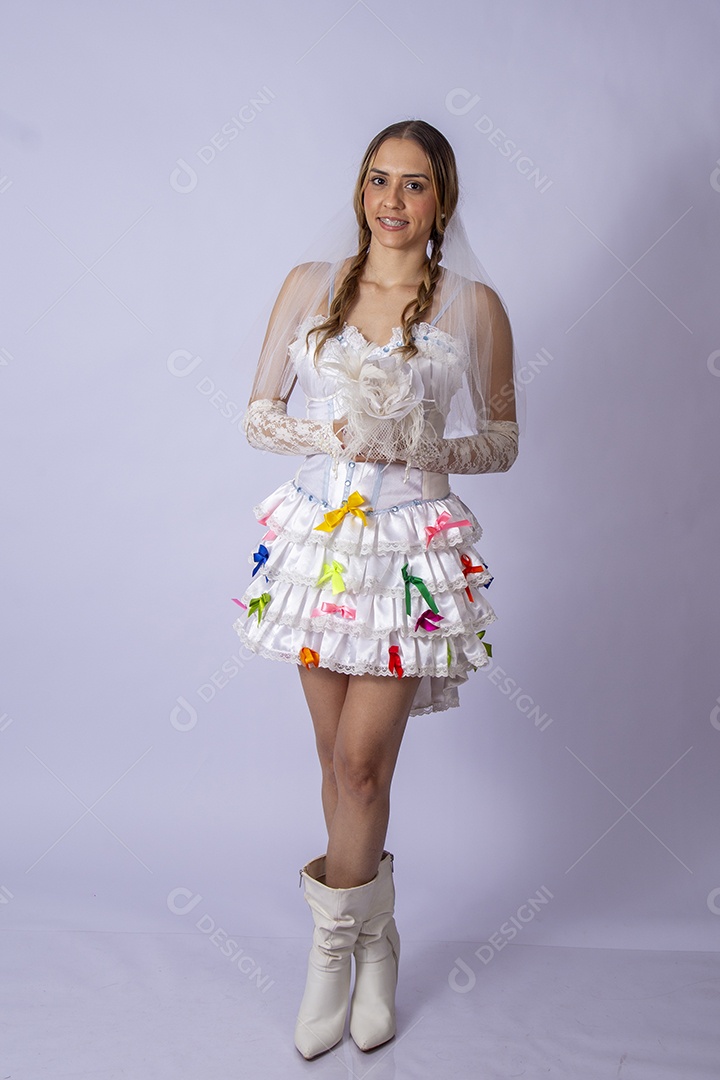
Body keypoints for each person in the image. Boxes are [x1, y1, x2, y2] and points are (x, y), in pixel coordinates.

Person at [232, 119, 520, 1059]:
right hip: (322, 549)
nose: (392, 202)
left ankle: (332, 954)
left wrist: (424, 447)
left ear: (443, 200)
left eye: (416, 185)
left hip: (405, 557)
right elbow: (259, 414)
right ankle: (380, 935)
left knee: (362, 766)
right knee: (334, 762)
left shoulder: (473, 307)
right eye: (378, 181)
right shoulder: (309, 288)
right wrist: (333, 436)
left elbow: (505, 441)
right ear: (360, 191)